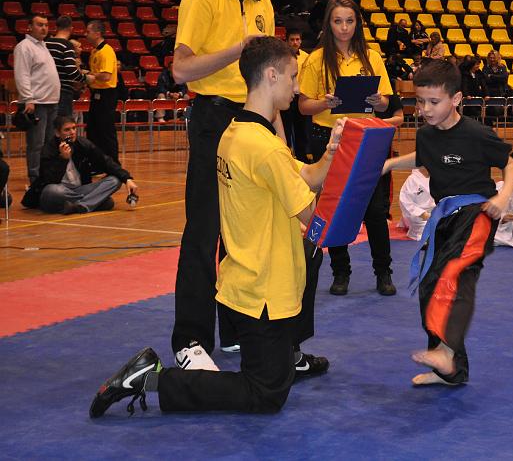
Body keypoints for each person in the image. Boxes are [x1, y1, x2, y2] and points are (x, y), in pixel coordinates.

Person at [89, 36, 340, 419]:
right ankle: (153, 379)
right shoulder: (265, 147)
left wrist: (333, 153)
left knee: (275, 378)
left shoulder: (239, 133)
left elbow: (304, 174)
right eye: (292, 77)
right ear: (271, 76)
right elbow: (315, 221)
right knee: (266, 394)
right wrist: (351, 193)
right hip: (263, 292)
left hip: (249, 282)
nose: (296, 87)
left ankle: (276, 361)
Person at [169, 0, 277, 368]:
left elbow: (268, 79)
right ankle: (190, 339)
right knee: (205, 229)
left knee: (244, 233)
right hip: (213, 118)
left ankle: (235, 330)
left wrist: (279, 137)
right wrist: (236, 50)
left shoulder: (264, 3)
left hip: (254, 121)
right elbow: (180, 69)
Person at [382, 59, 513, 386]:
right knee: (429, 284)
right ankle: (450, 370)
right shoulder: (427, 135)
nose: (425, 109)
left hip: (476, 212)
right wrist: (388, 165)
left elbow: (511, 163)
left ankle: (445, 351)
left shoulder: (476, 134)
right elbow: (423, 157)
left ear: (455, 99)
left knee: (453, 273)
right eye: (420, 102)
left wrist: (503, 197)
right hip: (444, 216)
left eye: (434, 102)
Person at [298, 0, 395, 296]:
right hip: (329, 138)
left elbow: (386, 104)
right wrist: (324, 103)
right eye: (338, 21)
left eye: (349, 21)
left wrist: (379, 101)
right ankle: (340, 272)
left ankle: (383, 272)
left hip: (365, 139)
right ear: (328, 23)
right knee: (334, 208)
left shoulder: (372, 57)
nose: (344, 27)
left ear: (357, 24)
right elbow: (303, 106)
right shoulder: (315, 59)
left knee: (375, 210)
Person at [28, 116, 137, 214]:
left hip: (80, 189)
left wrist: (127, 178)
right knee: (51, 191)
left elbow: (105, 161)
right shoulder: (49, 149)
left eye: (74, 128)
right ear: (57, 133)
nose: (72, 132)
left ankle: (80, 206)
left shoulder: (83, 144)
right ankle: (93, 201)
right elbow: (49, 179)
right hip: (59, 191)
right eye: (67, 130)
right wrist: (63, 159)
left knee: (115, 180)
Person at [13, 13, 60, 185]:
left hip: (51, 102)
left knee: (49, 143)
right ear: (29, 27)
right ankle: (35, 179)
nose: (44, 28)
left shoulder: (43, 46)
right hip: (37, 103)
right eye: (40, 25)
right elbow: (22, 74)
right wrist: (28, 98)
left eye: (46, 25)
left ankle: (47, 177)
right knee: (36, 144)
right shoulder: (24, 47)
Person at [84, 20, 119, 163]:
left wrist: (90, 75)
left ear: (97, 33)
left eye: (88, 32)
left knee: (106, 131)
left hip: (106, 95)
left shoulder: (106, 51)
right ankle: (96, 162)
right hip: (96, 94)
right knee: (92, 130)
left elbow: (106, 76)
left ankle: (113, 163)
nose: (85, 34)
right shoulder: (94, 51)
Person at [281, 28, 311, 160]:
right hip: (286, 96)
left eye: (297, 39)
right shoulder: (281, 57)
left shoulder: (306, 57)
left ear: (301, 41)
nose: (295, 42)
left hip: (301, 96)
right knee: (285, 127)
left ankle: (302, 156)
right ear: (287, 41)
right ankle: (286, 155)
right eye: (292, 40)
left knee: (301, 128)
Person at [45, 16, 83, 118]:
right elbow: (71, 70)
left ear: (56, 27)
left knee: (50, 123)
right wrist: (85, 78)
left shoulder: (46, 43)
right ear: (71, 28)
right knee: (63, 122)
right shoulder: (67, 45)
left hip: (47, 90)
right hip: (63, 91)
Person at [399, 167, 434, 241]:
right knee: (428, 231)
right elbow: (405, 201)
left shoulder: (436, 176)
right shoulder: (412, 179)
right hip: (418, 215)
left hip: (433, 211)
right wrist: (422, 214)